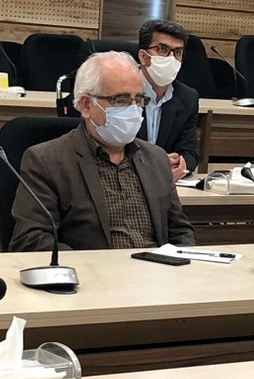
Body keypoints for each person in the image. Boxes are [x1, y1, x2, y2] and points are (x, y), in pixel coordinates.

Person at [10, 51, 196, 252]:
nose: (134, 109)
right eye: (121, 100)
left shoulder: (156, 158)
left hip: (156, 269)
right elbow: (31, 240)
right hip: (92, 269)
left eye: (139, 100)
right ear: (87, 105)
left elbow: (181, 232)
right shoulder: (47, 161)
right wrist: (93, 267)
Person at [136, 19, 199, 181]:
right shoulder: (120, 91)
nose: (171, 58)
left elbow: (190, 151)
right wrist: (158, 163)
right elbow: (112, 147)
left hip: (166, 185)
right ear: (143, 56)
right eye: (163, 49)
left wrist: (181, 164)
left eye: (177, 52)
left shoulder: (187, 98)